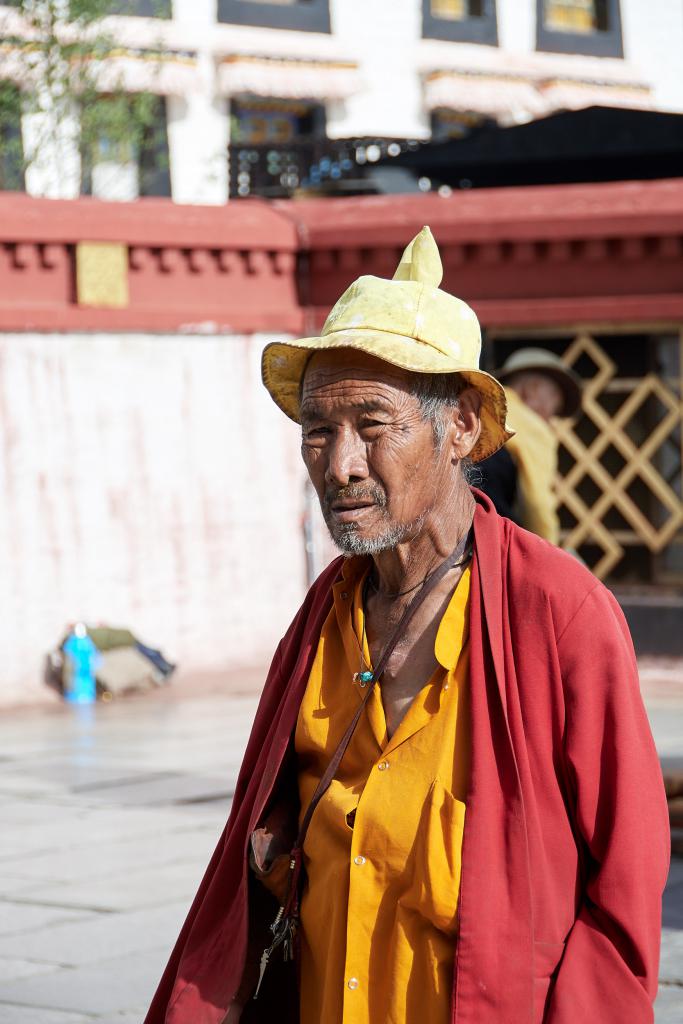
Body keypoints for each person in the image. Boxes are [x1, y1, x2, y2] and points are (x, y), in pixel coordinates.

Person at [145, 227, 669, 1024]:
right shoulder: (326, 611)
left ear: (459, 428)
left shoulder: (556, 611)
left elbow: (623, 882)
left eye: (372, 424)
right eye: (317, 431)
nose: (340, 464)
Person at [479, 348, 582, 543]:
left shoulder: (477, 405)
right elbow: (537, 504)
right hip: (485, 532)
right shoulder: (532, 426)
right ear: (532, 389)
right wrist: (549, 552)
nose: (551, 419)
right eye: (554, 405)